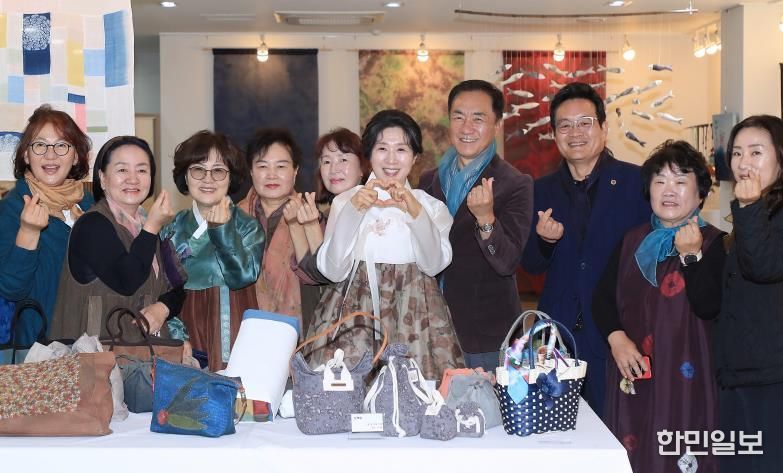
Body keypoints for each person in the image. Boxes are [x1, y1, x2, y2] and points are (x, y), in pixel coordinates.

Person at [520, 82, 651, 417]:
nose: (574, 133)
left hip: (618, 336)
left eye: (585, 123)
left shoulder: (637, 183)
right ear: (553, 134)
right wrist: (544, 241)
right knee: (554, 430)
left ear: (604, 128)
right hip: (556, 338)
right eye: (565, 125)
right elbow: (531, 265)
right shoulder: (540, 190)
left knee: (620, 429)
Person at [593, 140, 721, 473]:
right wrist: (617, 339)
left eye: (680, 181)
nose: (669, 190)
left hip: (688, 381)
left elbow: (709, 305)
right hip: (633, 374)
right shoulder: (631, 241)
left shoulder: (715, 242)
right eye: (660, 180)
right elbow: (602, 299)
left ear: (700, 193)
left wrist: (691, 256)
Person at [312, 109, 463, 380]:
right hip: (354, 319)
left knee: (416, 393)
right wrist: (353, 212)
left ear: (415, 157)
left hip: (415, 317)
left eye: (401, 149)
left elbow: (433, 265)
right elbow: (333, 271)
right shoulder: (346, 201)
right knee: (348, 396)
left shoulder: (430, 207)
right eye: (382, 148)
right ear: (369, 155)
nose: (391, 159)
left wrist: (416, 214)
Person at [418, 79, 533, 372]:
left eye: (478, 118)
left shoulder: (514, 184)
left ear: (497, 124)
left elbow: (507, 262)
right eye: (458, 117)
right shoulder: (428, 181)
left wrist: (486, 219)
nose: (466, 127)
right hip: (430, 327)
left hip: (486, 336)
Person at [50, 136, 185, 340]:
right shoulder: (92, 225)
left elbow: (177, 288)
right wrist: (151, 228)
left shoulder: (145, 225)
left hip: (145, 351)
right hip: (97, 354)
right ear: (103, 178)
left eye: (142, 170)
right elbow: (127, 281)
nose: (133, 179)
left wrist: (163, 307)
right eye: (122, 170)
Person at [711, 115, 783, 473]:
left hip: (771, 379)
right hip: (737, 374)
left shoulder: (758, 211)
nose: (743, 163)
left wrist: (750, 207)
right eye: (737, 153)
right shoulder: (753, 210)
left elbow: (763, 266)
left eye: (756, 152)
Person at [162, 130, 264, 371]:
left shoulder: (247, 226)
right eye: (198, 169)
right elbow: (160, 289)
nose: (208, 179)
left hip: (231, 319)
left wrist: (222, 230)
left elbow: (242, 276)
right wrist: (176, 335)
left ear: (231, 177)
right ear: (185, 176)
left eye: (218, 171)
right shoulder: (172, 228)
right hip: (184, 323)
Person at [0, 105, 93, 352]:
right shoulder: (11, 208)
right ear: (26, 155)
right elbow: (10, 288)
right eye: (40, 145)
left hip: (91, 342)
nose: (50, 155)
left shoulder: (90, 206)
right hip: (38, 348)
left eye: (62, 145)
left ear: (76, 156)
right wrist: (28, 233)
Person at [235, 128, 319, 332]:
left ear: (295, 171)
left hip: (299, 331)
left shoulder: (311, 216)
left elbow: (320, 277)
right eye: (262, 166)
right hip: (242, 329)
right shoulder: (232, 219)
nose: (271, 175)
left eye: (281, 166)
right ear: (251, 171)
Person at [284, 127, 369, 285]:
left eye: (343, 160)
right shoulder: (329, 213)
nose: (333, 169)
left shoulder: (371, 212)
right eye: (326, 161)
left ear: (362, 168)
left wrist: (311, 226)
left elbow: (335, 274)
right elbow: (315, 273)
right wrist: (298, 224)